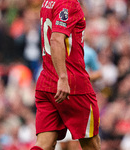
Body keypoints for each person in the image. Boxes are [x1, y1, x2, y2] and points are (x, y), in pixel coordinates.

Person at [30, 0, 101, 150]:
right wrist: (63, 78)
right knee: (92, 144)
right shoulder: (69, 3)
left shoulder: (48, 2)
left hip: (47, 81)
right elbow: (56, 39)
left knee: (44, 144)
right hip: (72, 83)